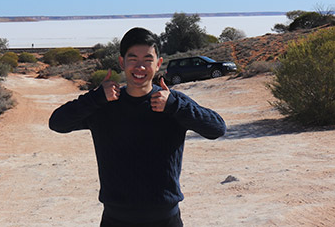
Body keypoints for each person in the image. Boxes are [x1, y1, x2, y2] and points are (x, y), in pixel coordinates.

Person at [49, 27, 226, 227]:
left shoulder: (172, 103)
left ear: (158, 64)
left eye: (147, 60)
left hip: (165, 219)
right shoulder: (104, 105)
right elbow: (57, 123)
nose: (140, 67)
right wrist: (96, 97)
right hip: (115, 219)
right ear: (121, 62)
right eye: (132, 59)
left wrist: (175, 106)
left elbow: (217, 129)